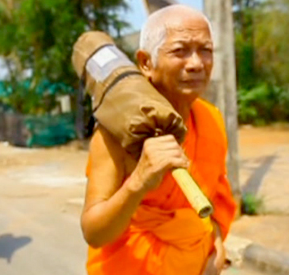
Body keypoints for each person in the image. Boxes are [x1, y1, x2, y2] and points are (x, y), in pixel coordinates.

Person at [81, 5, 237, 275]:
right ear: (145, 63)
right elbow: (94, 232)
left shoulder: (212, 118)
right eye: (180, 51)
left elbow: (218, 197)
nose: (196, 63)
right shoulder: (116, 133)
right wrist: (139, 181)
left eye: (205, 50)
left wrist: (218, 243)